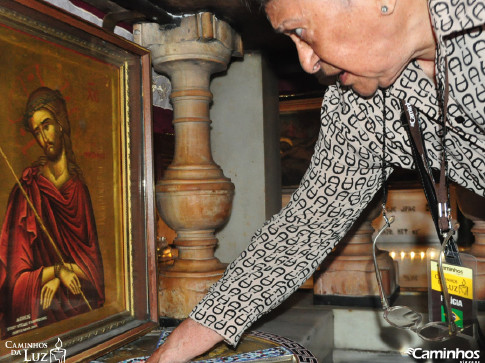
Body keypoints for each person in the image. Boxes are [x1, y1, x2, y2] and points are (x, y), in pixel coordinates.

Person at [148, 0, 485, 362]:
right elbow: (301, 233)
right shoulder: (357, 107)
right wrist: (169, 355)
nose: (307, 62)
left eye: (301, 32)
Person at [0, 87, 105, 338]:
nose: (43, 137)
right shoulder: (26, 190)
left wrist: (62, 276)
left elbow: (95, 274)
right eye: (36, 131)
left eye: (46, 126)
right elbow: (15, 284)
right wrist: (58, 271)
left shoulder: (79, 189)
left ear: (60, 125)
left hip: (78, 321)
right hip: (40, 321)